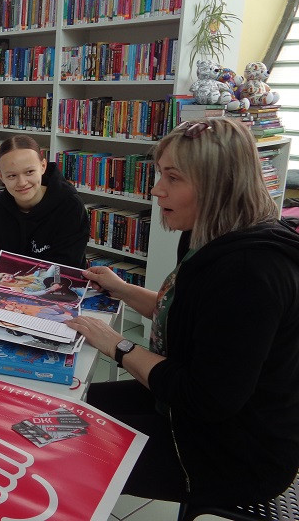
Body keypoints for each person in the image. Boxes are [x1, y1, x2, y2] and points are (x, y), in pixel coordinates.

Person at [65, 118, 299, 506]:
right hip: (191, 411)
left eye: (173, 178)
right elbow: (187, 314)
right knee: (61, 410)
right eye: (161, 174)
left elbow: (206, 398)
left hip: (234, 453)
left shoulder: (250, 273)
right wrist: (122, 289)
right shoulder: (208, 234)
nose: (157, 189)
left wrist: (118, 346)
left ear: (219, 185)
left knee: (60, 448)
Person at [0, 135, 89, 267]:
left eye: (29, 172)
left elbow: (68, 266)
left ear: (43, 166)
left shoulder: (70, 207)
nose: (22, 182)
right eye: (12, 176)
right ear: (1, 176)